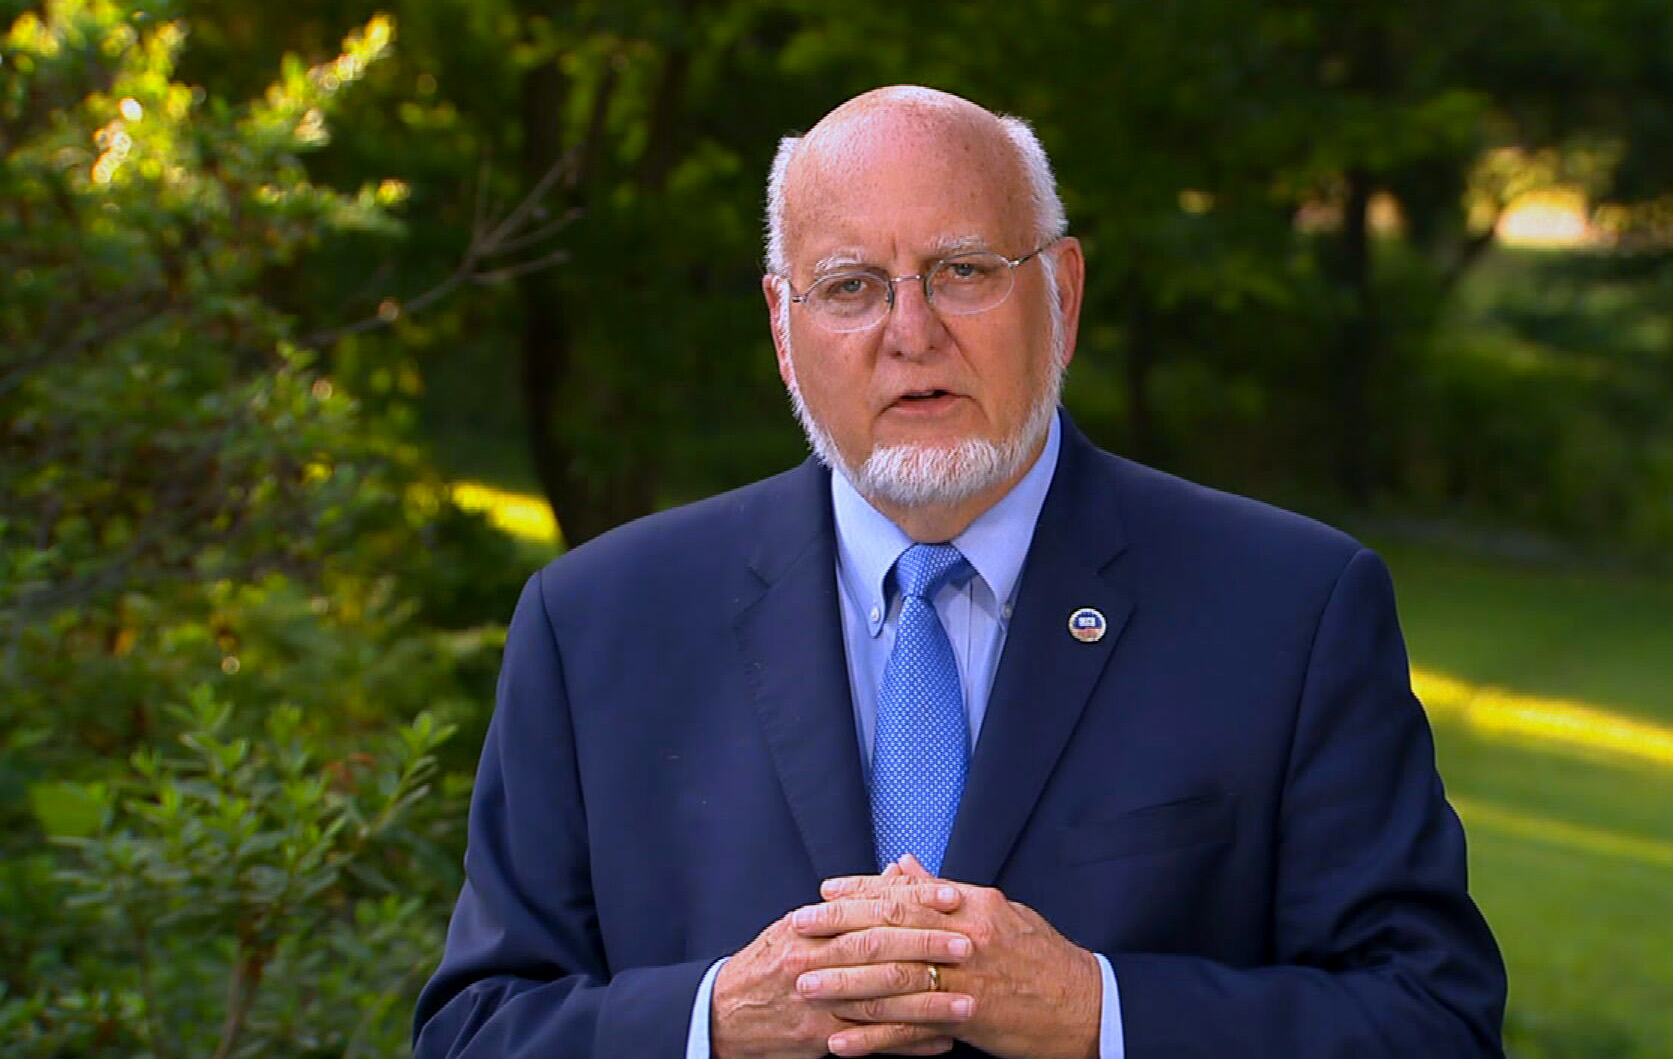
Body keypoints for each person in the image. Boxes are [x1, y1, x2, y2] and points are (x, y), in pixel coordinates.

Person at [414, 86, 1506, 1059]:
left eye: (963, 271)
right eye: (849, 287)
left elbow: (1432, 1021)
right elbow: (476, 1030)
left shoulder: (1290, 609)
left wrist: (1097, 1012)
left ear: (1063, 295)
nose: (911, 331)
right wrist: (713, 1024)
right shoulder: (598, 623)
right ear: (785, 332)